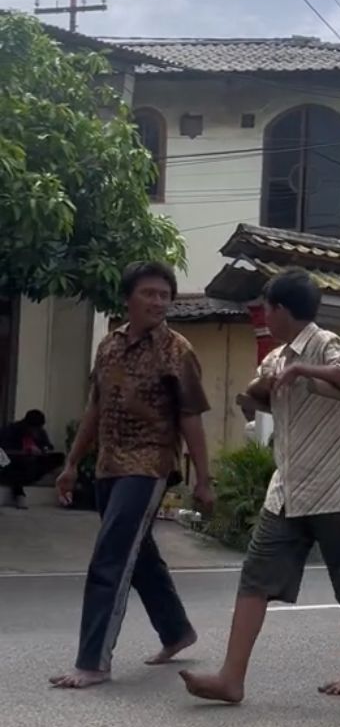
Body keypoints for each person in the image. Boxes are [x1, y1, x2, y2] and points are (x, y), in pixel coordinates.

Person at [180, 267, 340, 705]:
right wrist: (263, 385)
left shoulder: (327, 343)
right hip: (287, 488)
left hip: (333, 486)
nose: (264, 316)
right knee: (254, 578)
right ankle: (231, 678)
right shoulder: (276, 356)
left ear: (283, 309)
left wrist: (304, 369)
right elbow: (258, 393)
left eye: (267, 308)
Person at [49, 261, 214, 690]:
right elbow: (94, 408)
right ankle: (177, 630)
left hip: (149, 464)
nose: (159, 301)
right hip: (109, 465)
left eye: (165, 295)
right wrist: (71, 465)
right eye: (150, 293)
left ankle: (93, 662)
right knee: (139, 556)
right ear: (129, 298)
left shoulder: (177, 350)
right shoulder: (108, 347)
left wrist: (204, 479)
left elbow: (191, 416)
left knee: (110, 557)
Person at [0, 410, 64, 508]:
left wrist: (42, 449)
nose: (35, 431)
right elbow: (4, 449)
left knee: (58, 457)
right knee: (15, 465)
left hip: (32, 463)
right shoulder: (12, 430)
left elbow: (48, 446)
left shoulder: (40, 432)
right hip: (14, 462)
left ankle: (22, 484)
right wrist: (24, 450)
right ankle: (19, 493)